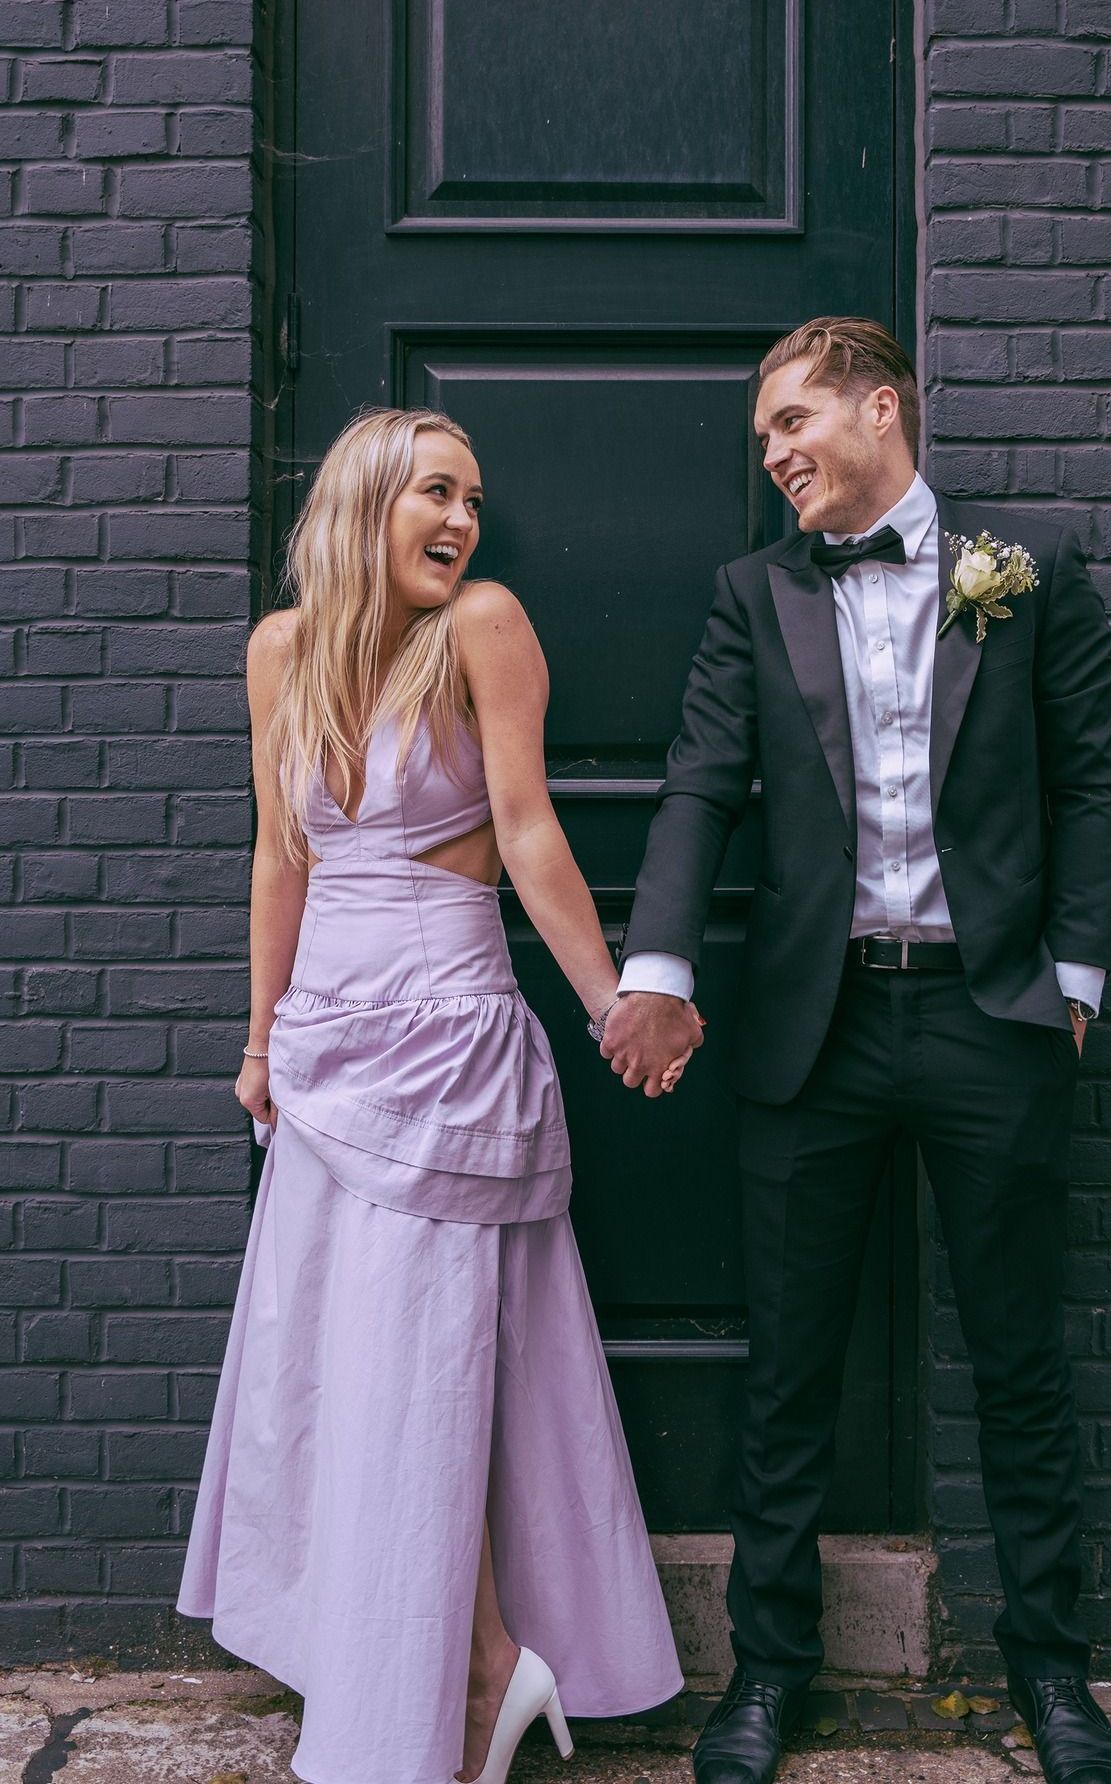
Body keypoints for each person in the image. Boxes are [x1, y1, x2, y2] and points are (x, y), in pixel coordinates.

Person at [602, 318, 1111, 1784]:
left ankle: (1052, 1676)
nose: (772, 456)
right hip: (810, 1030)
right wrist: (654, 969)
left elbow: (1088, 786)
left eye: (789, 423)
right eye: (763, 437)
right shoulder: (749, 594)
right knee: (789, 1373)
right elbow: (699, 788)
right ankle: (767, 1678)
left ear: (878, 405)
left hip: (991, 1017)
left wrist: (1069, 980)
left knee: (1018, 1362)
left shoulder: (1031, 575)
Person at [178, 407, 691, 1784]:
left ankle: (466, 1685)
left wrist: (606, 1002)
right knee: (355, 1377)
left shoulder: (484, 627)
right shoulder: (278, 652)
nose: (462, 520)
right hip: (324, 1053)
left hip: (447, 1043)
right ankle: (474, 1669)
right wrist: (258, 1041)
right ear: (364, 502)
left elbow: (526, 828)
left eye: (470, 498)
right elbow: (279, 856)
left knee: (426, 1374)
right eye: (437, 493)